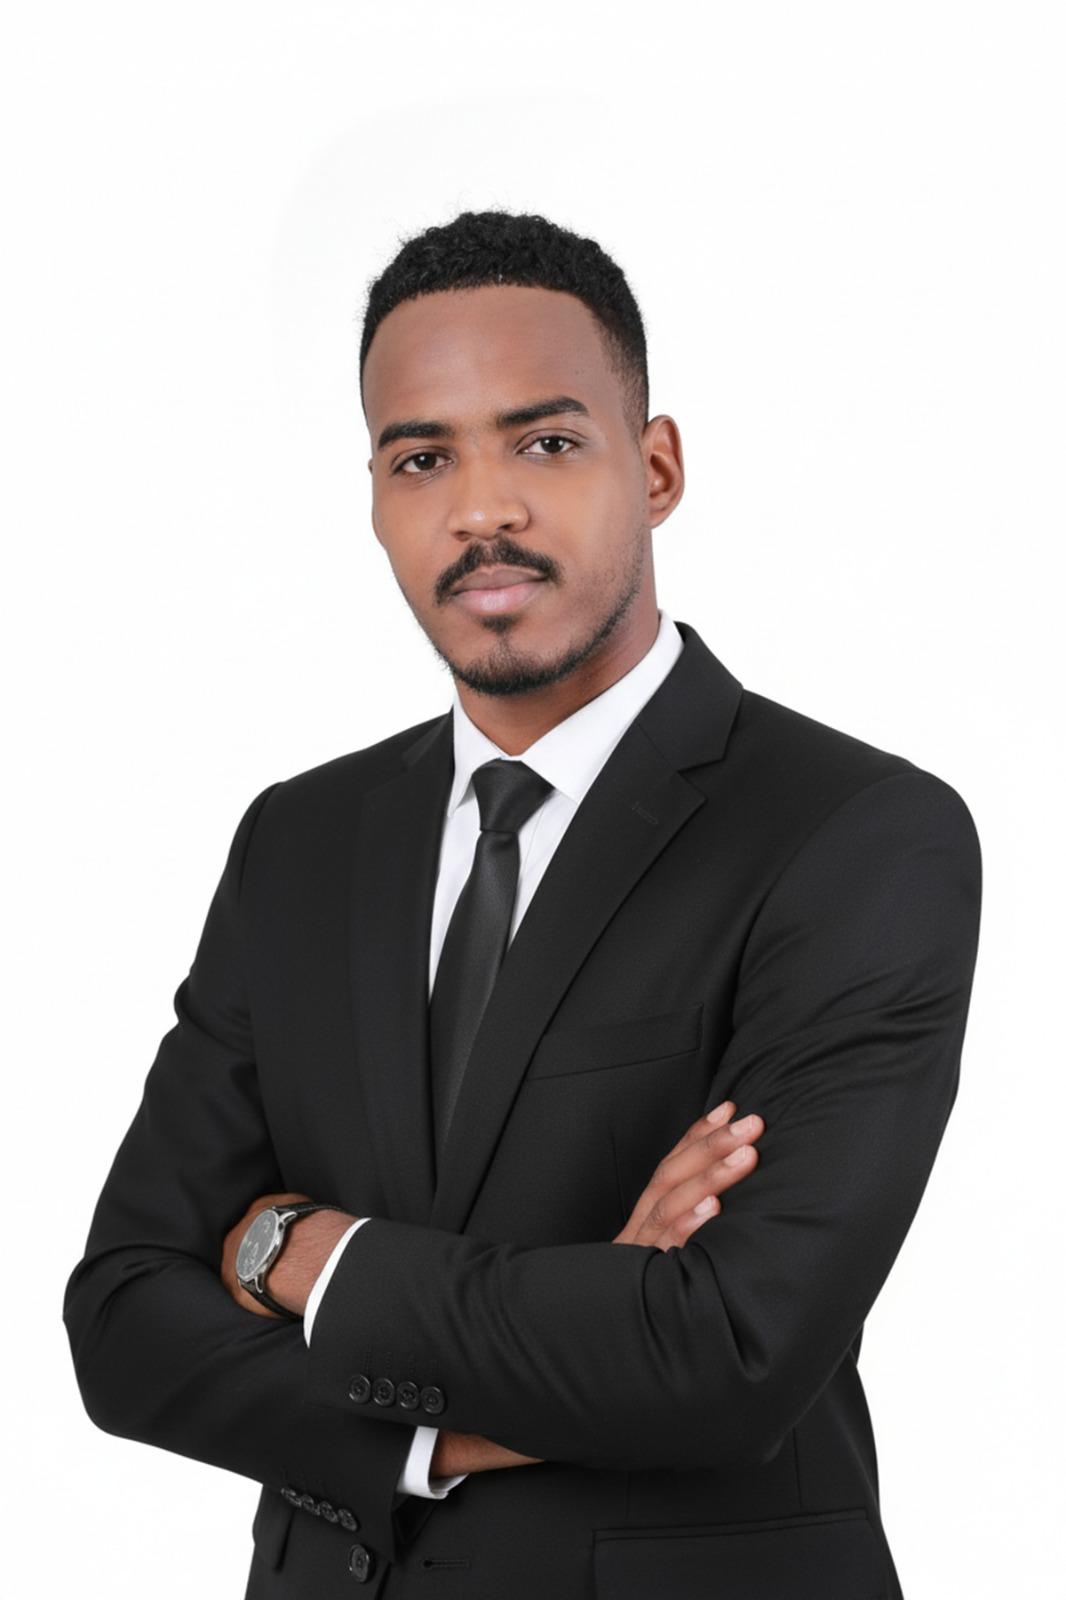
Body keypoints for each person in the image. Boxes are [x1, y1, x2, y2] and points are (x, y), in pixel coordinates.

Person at [63, 209, 982, 1600]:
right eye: (421, 458)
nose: (481, 508)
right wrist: (450, 1434)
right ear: (376, 497)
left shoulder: (854, 834)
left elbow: (725, 1353)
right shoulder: (299, 841)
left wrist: (295, 1250)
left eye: (544, 443)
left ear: (655, 468)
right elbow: (126, 1318)